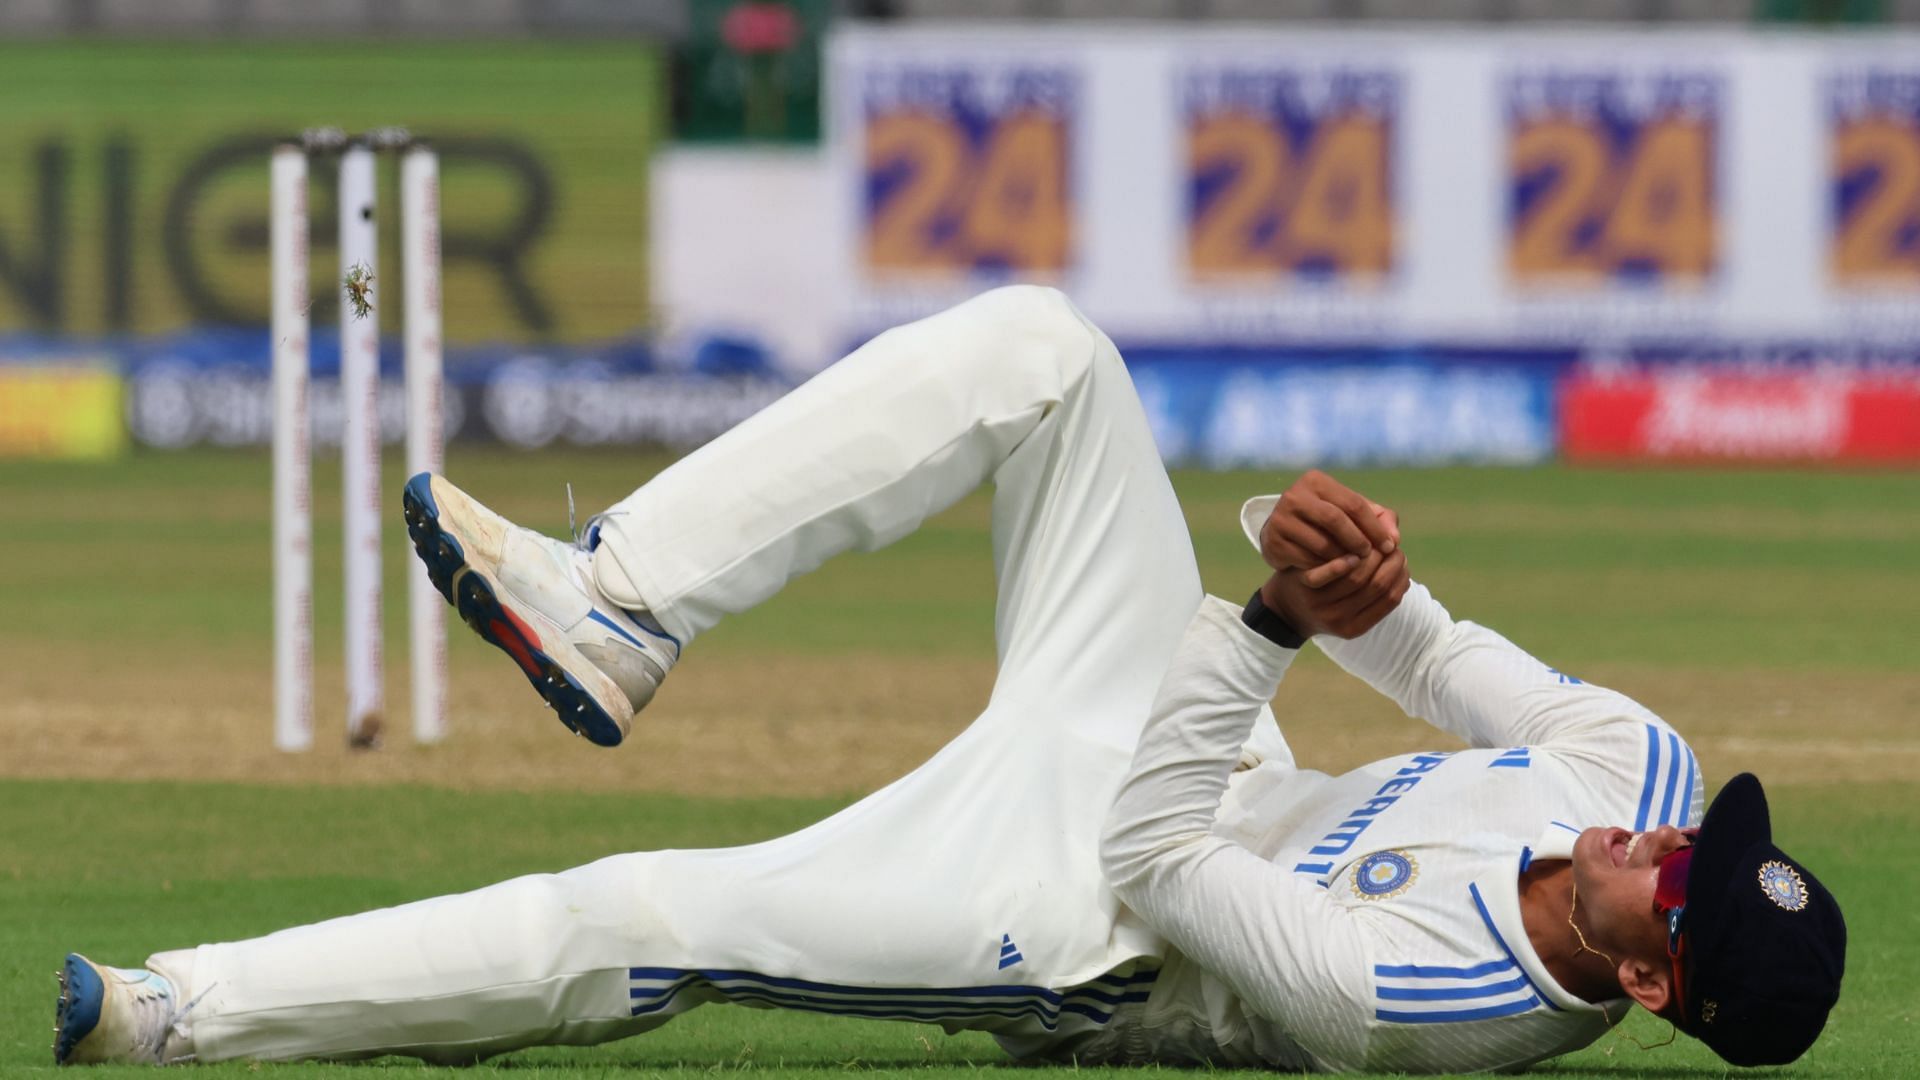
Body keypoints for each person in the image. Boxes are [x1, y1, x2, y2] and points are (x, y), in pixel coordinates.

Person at [54, 287, 1844, 1072]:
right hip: (1200, 743)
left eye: (1676, 878)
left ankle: (175, 1008)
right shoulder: (1641, 767)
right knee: (1049, 353)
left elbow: (1148, 860)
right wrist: (1362, 586)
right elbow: (1441, 662)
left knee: (640, 920)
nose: (1656, 834)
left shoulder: (1425, 1008)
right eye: (1694, 834)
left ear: (1650, 977)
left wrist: (1270, 630)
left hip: (1082, 919)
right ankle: (620, 604)